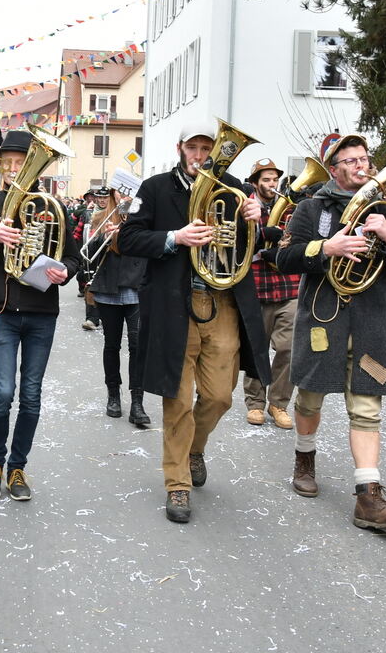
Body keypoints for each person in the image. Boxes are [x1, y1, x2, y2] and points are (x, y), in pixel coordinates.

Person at [118, 121, 270, 523]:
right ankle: (178, 484)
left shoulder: (238, 189)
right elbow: (128, 238)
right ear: (181, 147)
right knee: (178, 399)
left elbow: (258, 243)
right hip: (175, 306)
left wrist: (258, 218)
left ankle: (194, 448)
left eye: (208, 147)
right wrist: (175, 238)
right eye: (194, 147)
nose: (201, 156)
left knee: (221, 397)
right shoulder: (154, 188)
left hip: (222, 301)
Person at [274, 134, 386, 532]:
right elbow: (284, 257)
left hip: (372, 325)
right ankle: (305, 456)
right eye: (351, 160)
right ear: (333, 168)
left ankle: (368, 495)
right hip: (323, 320)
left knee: (368, 408)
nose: (361, 165)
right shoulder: (310, 207)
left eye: (365, 158)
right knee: (310, 398)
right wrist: (326, 248)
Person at [0, 130, 82, 503]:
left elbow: (74, 257)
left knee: (30, 395)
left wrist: (66, 270)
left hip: (42, 312)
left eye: (22, 162)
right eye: (9, 162)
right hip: (2, 312)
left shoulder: (54, 207)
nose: (15, 169)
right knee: (3, 392)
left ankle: (17, 468)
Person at [81, 191, 150, 426]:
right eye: (120, 192)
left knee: (137, 346)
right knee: (111, 345)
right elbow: (89, 254)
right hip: (109, 287)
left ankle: (137, 401)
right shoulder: (101, 216)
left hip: (137, 287)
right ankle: (113, 395)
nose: (124, 197)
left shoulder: (142, 215)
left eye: (129, 192)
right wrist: (104, 238)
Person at [243, 157, 299, 430]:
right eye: (266, 180)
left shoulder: (289, 208)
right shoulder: (245, 206)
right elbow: (239, 241)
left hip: (288, 286)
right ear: (255, 183)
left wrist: (280, 242)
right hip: (256, 287)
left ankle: (279, 404)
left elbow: (296, 240)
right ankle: (255, 403)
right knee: (257, 348)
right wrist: (266, 233)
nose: (272, 185)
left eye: (275, 180)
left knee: (288, 349)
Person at [77, 189, 110, 331]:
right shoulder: (88, 213)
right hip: (91, 252)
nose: (102, 200)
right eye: (100, 197)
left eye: (105, 197)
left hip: (108, 252)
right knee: (90, 283)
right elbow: (79, 233)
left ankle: (106, 315)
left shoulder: (116, 213)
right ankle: (91, 318)